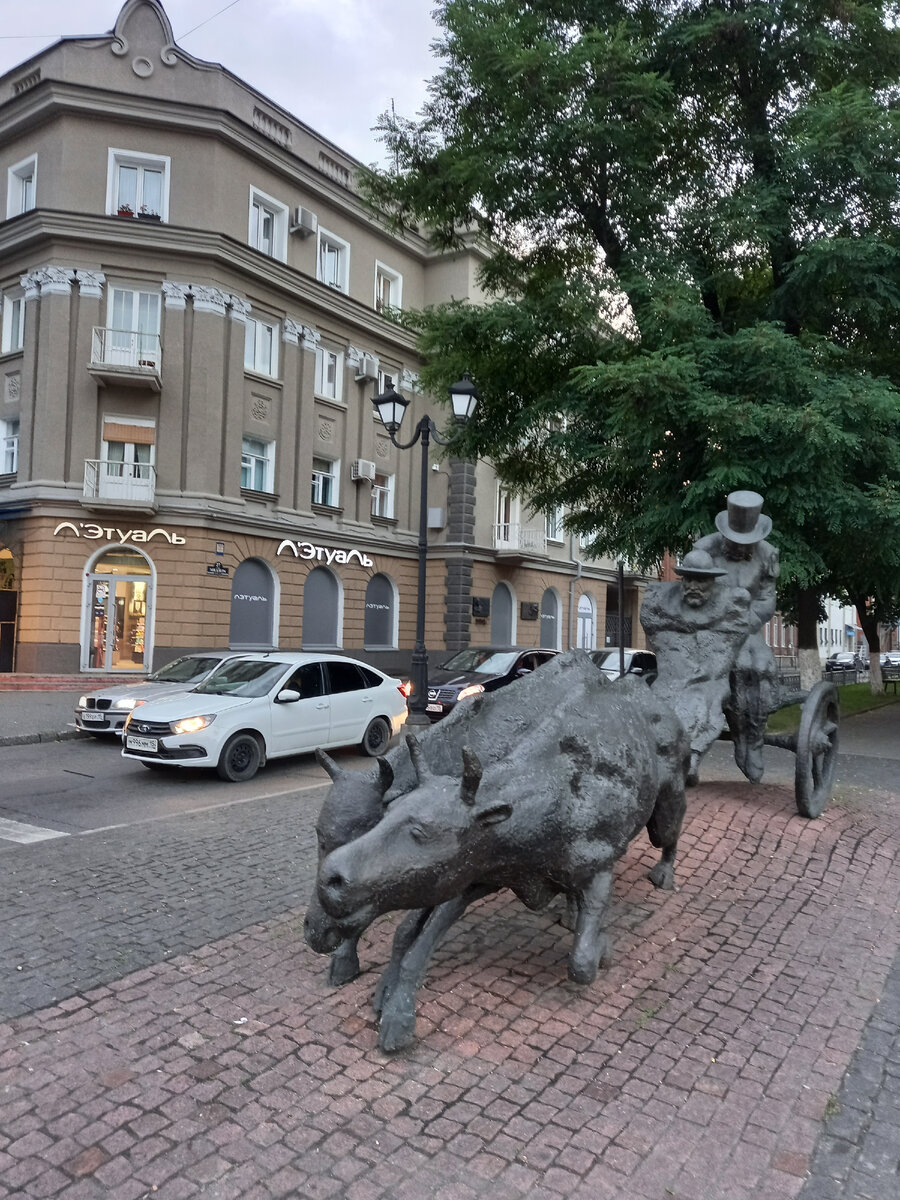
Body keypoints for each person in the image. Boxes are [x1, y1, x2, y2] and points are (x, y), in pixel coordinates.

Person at [641, 550, 754, 785]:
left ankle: (689, 756)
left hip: (710, 680)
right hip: (671, 678)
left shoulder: (731, 609)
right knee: (656, 701)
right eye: (689, 579)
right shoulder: (663, 606)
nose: (693, 586)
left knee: (699, 701)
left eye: (700, 580)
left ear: (713, 582)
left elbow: (724, 654)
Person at [693, 490, 780, 783]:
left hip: (748, 627)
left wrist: (745, 621)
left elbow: (767, 600)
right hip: (710, 627)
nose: (741, 546)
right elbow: (692, 590)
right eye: (735, 540)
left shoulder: (768, 554)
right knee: (730, 666)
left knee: (758, 668)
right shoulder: (704, 550)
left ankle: (752, 739)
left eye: (747, 541)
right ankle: (691, 748)